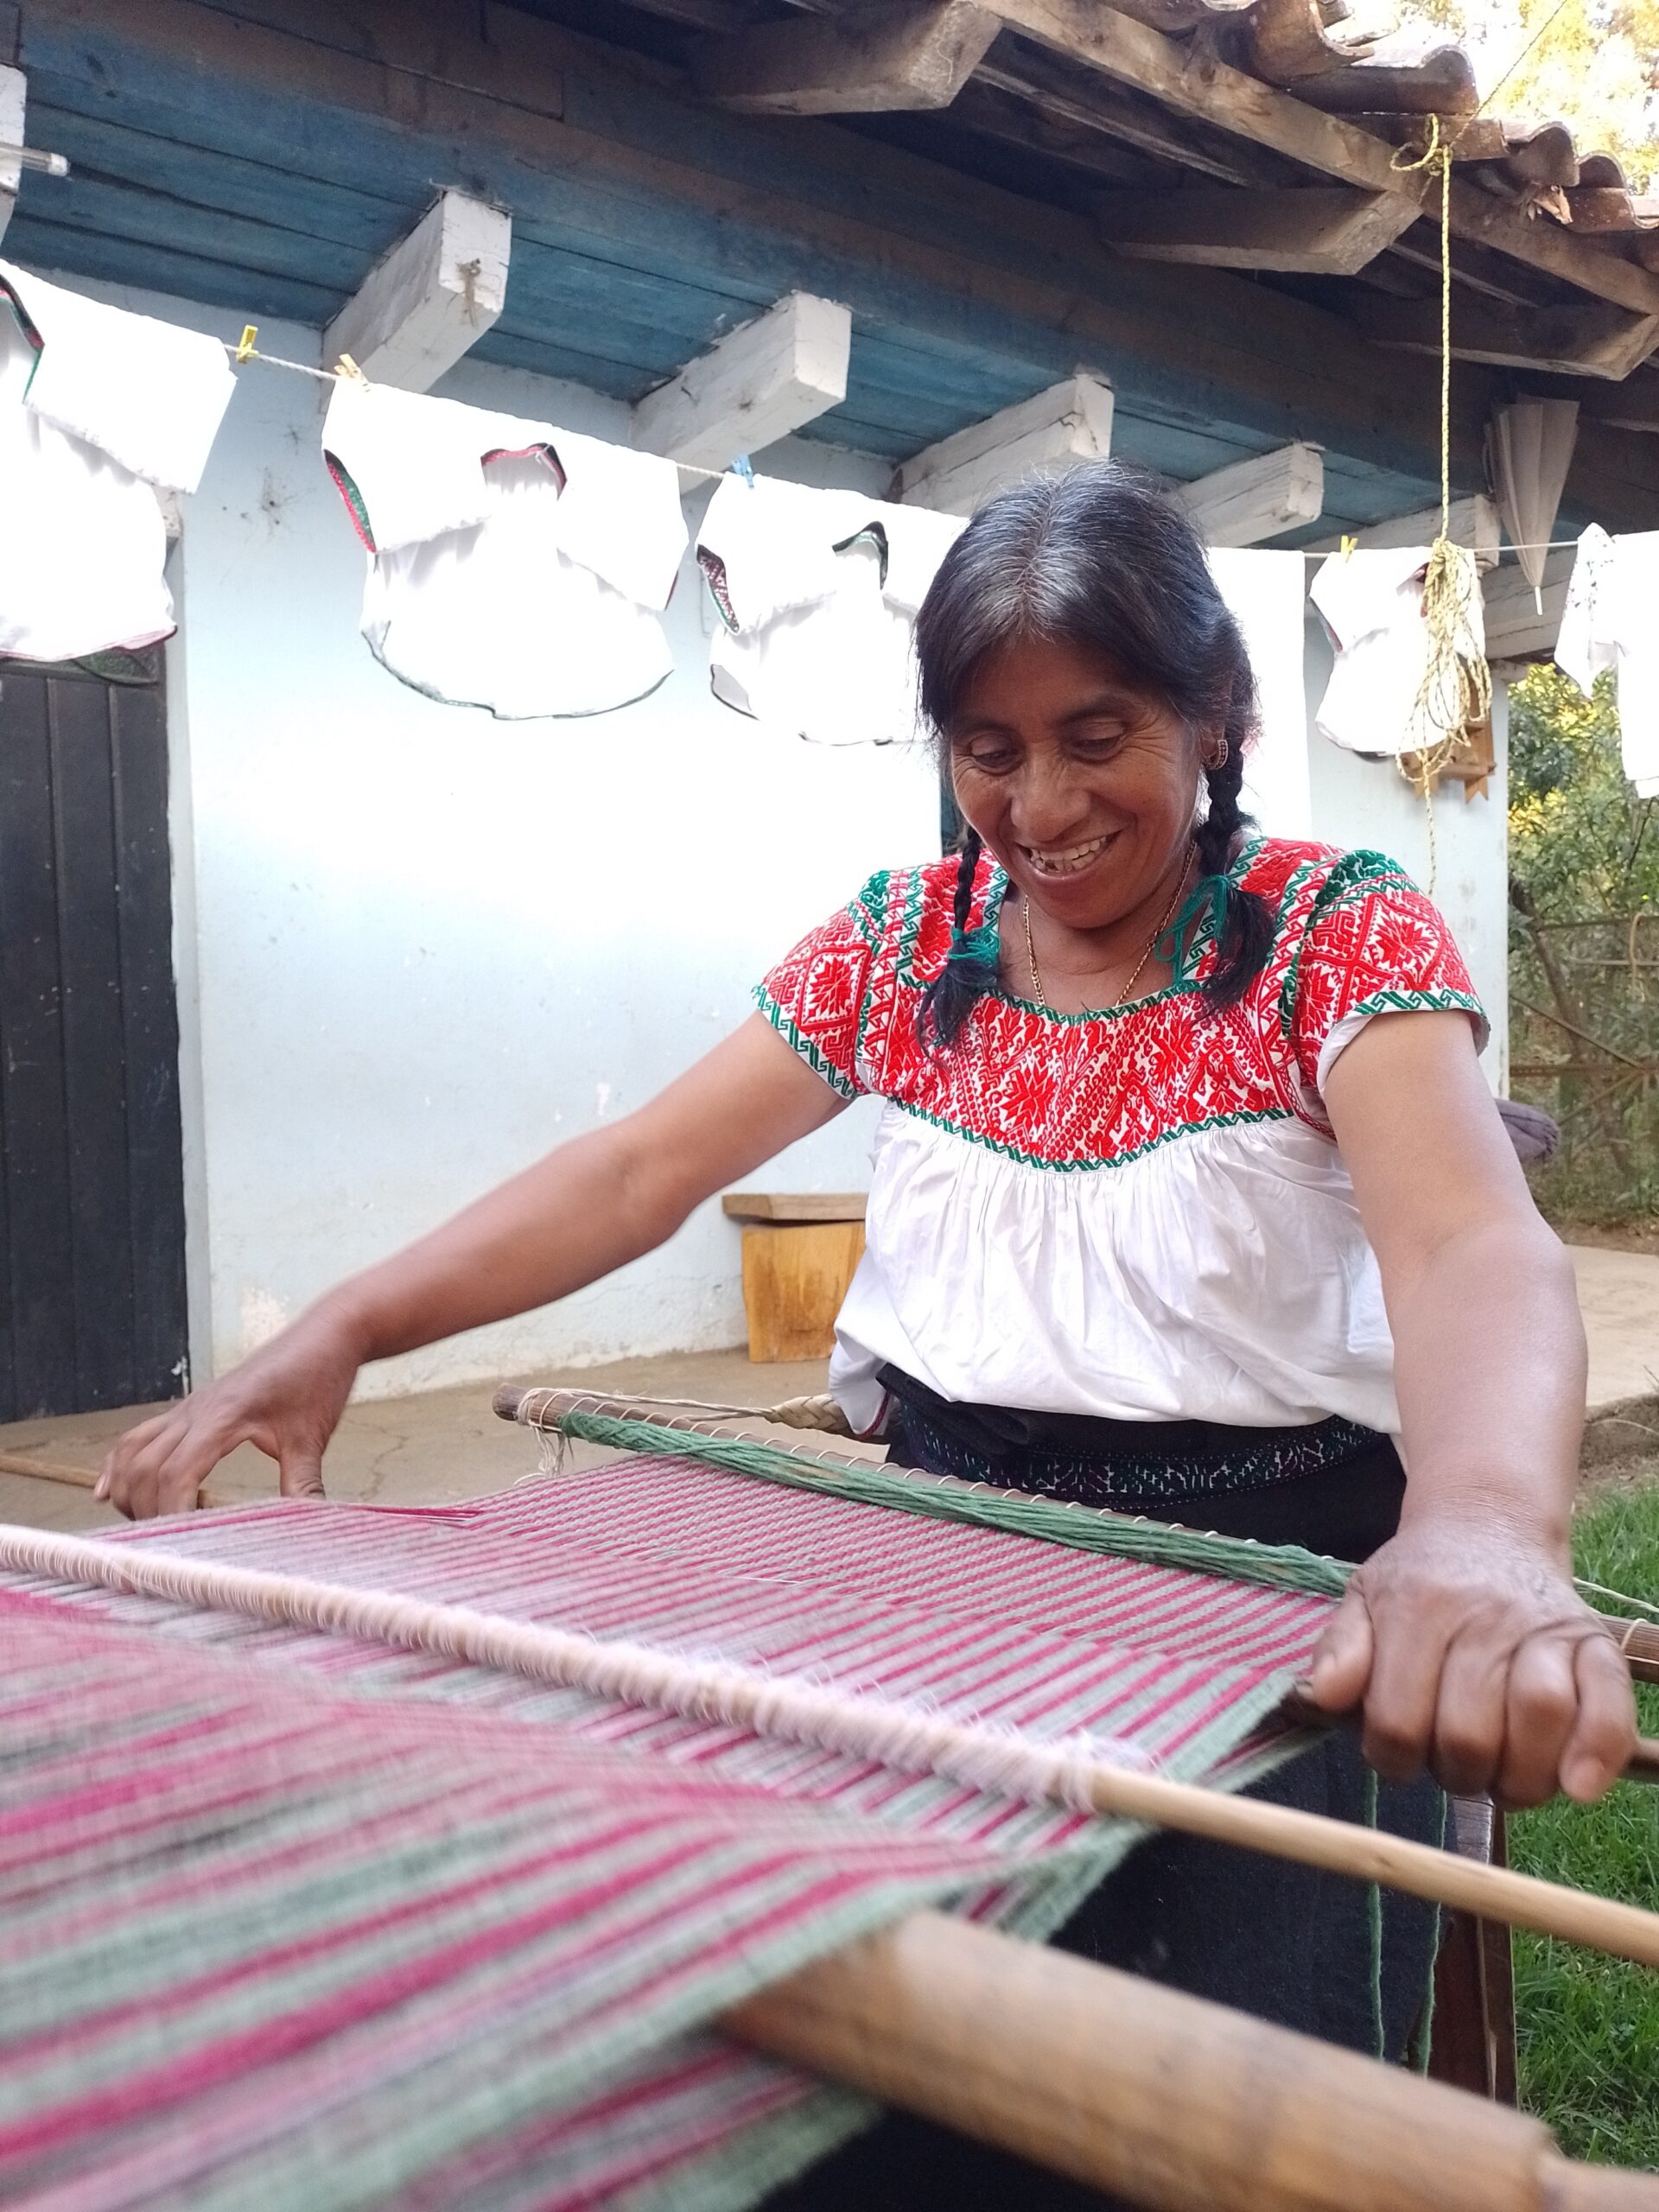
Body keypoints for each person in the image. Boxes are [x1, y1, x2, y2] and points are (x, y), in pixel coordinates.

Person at [101, 464, 1632, 2194]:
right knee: (878, 2078)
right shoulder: (910, 947)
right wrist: (345, 1322)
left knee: (1223, 2133)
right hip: (939, 1566)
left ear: (1216, 719)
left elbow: (1465, 1250)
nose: (1040, 802)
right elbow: (636, 1168)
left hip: (1256, 1612)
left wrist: (1488, 1532)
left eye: (1096, 731)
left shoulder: (1330, 933)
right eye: (990, 746)